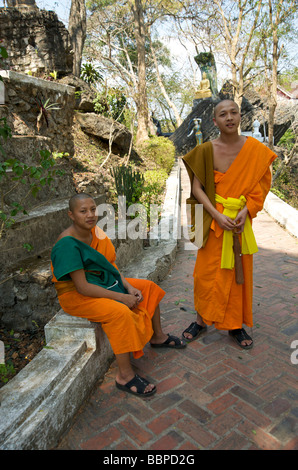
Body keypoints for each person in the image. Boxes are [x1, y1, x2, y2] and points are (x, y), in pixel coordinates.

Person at [51, 193, 186, 398]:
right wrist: (122, 298)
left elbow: (111, 266)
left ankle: (158, 337)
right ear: (71, 214)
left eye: (93, 209)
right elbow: (82, 288)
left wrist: (128, 287)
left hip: (104, 281)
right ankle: (125, 375)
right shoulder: (66, 244)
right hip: (76, 296)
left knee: (148, 287)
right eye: (83, 211)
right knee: (119, 312)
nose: (90, 215)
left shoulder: (97, 232)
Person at [181, 99, 277, 349]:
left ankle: (235, 325)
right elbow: (196, 188)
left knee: (238, 275)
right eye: (223, 114)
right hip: (215, 223)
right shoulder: (206, 150)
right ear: (215, 121)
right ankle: (201, 320)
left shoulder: (255, 149)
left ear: (239, 117)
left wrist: (247, 211)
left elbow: (262, 187)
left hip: (238, 222)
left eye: (234, 112)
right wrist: (215, 215)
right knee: (205, 275)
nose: (229, 117)